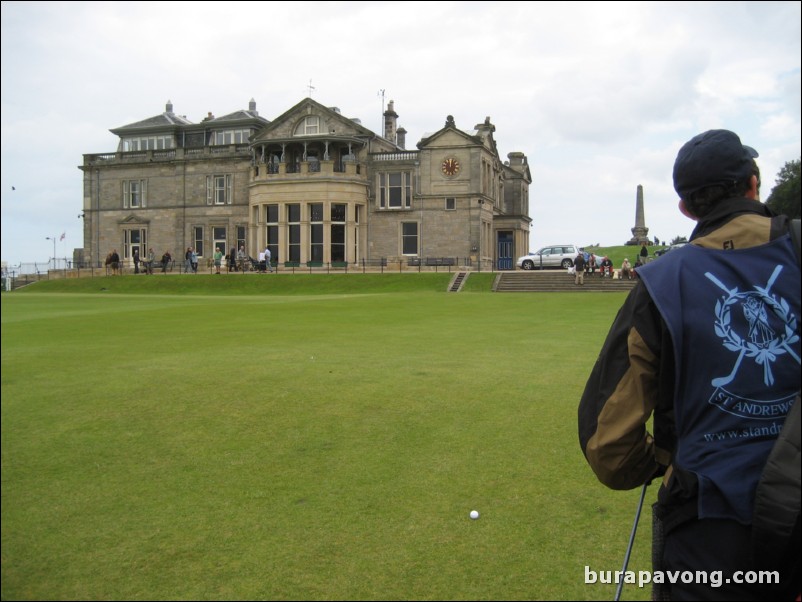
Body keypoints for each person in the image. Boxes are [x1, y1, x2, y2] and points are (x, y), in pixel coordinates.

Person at [578, 129, 800, 601]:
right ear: (754, 184)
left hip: (710, 534)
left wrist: (662, 460)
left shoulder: (661, 282)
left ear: (686, 209)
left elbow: (610, 446)